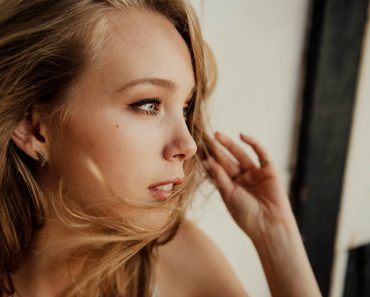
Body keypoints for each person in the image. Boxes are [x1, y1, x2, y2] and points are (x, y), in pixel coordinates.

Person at [0, 0, 322, 296]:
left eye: (185, 107)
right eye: (148, 104)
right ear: (32, 127)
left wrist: (275, 238)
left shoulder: (171, 258)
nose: (188, 145)